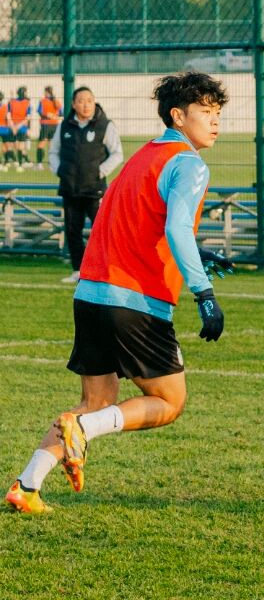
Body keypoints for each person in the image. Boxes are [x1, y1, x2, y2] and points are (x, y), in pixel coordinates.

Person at [5, 72, 235, 515]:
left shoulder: (142, 156)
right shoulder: (189, 164)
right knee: (169, 401)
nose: (215, 121)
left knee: (95, 401)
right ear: (178, 116)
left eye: (218, 113)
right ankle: (84, 430)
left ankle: (27, 485)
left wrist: (195, 252)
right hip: (134, 301)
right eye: (205, 112)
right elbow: (176, 228)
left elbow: (140, 222)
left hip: (91, 294)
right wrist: (203, 293)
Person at [49, 87, 125, 284]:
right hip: (70, 189)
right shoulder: (64, 126)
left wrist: (100, 172)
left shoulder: (105, 125)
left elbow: (117, 154)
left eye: (89, 100)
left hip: (94, 190)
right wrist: (60, 171)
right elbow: (53, 152)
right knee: (72, 231)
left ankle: (106, 270)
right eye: (81, 101)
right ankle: (79, 270)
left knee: (102, 231)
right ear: (73, 104)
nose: (86, 105)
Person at [2, 86, 32, 171]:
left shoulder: (11, 102)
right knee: (19, 146)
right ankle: (20, 165)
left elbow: (8, 115)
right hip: (21, 127)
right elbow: (27, 117)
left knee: (10, 145)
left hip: (13, 127)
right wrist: (18, 126)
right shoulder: (27, 103)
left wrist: (13, 126)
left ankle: (6, 164)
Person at [36, 86, 63, 169]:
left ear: (47, 92)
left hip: (46, 125)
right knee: (51, 146)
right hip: (54, 125)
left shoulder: (43, 101)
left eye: (45, 92)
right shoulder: (56, 101)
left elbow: (40, 112)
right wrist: (55, 116)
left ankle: (40, 164)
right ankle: (51, 164)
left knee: (41, 144)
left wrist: (48, 115)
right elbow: (61, 113)